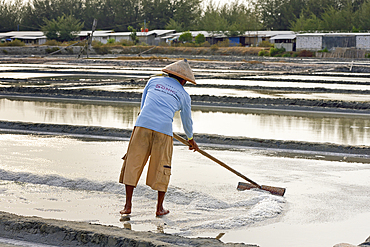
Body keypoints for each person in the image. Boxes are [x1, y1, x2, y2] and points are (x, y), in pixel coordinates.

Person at [119, 59, 199, 217]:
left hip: (142, 125)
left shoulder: (153, 80)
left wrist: (145, 118)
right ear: (183, 80)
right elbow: (187, 121)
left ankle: (127, 206)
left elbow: (143, 104)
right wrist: (191, 140)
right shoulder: (183, 94)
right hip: (163, 130)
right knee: (163, 168)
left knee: (133, 163)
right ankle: (159, 208)